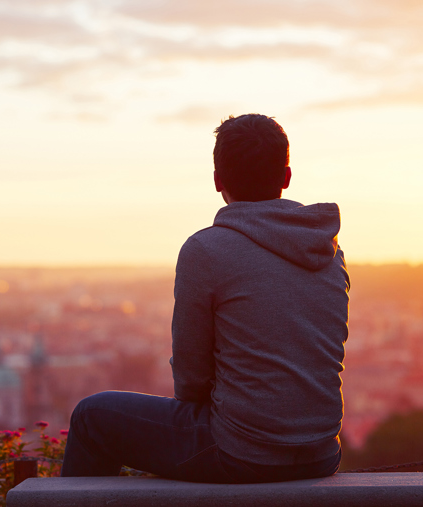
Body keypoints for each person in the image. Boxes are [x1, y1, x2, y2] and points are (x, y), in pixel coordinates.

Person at [61, 113, 350, 483]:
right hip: (322, 454)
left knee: (91, 416)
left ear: (217, 181)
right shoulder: (328, 250)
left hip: (242, 453)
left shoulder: (207, 250)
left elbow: (191, 377)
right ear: (286, 177)